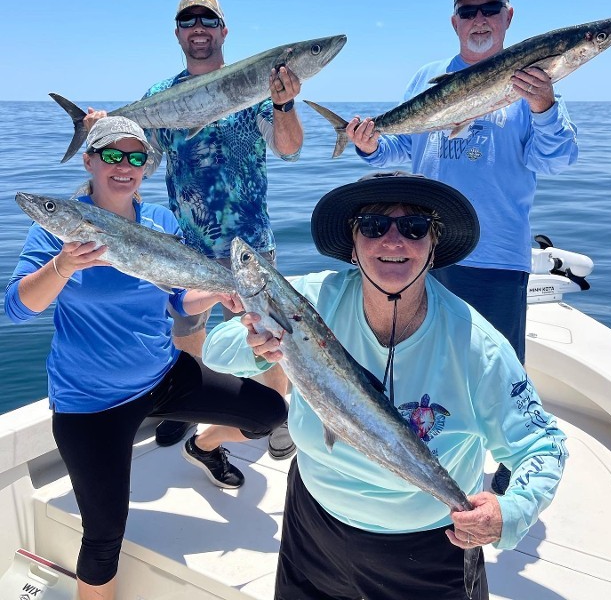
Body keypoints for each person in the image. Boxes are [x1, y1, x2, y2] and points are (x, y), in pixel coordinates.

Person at [204, 171, 568, 600]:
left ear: (432, 249)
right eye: (374, 226)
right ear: (354, 247)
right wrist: (254, 345)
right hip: (312, 521)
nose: (392, 241)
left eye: (413, 228)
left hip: (428, 548)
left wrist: (511, 511)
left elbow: (544, 445)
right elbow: (215, 351)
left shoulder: (477, 347)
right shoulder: (309, 300)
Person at [4, 117, 288, 600]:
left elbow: (176, 299)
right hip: (91, 404)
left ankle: (204, 445)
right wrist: (64, 265)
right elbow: (15, 307)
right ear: (90, 161)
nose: (124, 166)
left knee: (271, 411)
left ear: (146, 168)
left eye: (136, 157)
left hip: (163, 375)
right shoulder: (57, 235)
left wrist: (222, 292)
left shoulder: (161, 221)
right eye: (112, 155)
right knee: (103, 538)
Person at [85, 0, 301, 456]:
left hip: (250, 243)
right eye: (188, 21)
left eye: (208, 19)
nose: (198, 27)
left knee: (266, 332)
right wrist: (105, 130)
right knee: (187, 329)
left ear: (223, 30)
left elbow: (289, 148)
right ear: (179, 33)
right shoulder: (158, 95)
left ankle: (277, 412)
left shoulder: (257, 85)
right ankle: (188, 411)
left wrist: (284, 105)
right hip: (186, 241)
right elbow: (142, 160)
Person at [346, 0, 578, 367]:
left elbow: (555, 160)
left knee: (494, 373)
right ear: (455, 22)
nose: (479, 19)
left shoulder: (533, 83)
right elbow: (398, 148)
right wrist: (369, 145)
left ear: (508, 16)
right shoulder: (426, 78)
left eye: (490, 8)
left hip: (496, 255)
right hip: (424, 248)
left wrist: (544, 106)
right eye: (468, 12)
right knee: (421, 367)